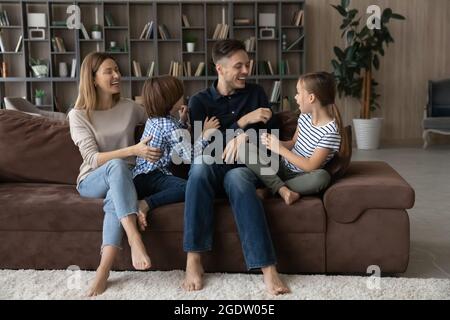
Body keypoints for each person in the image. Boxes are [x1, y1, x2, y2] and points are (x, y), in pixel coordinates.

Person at [182, 39, 290, 295]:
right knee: (199, 167)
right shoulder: (200, 102)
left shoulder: (257, 94)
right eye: (238, 66)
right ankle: (193, 258)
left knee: (238, 180)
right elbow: (204, 151)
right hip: (211, 171)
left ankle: (268, 268)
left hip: (244, 168)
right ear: (219, 69)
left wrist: (244, 137)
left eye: (248, 65)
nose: (246, 71)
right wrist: (242, 123)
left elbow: (268, 144)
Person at [68, 52, 162, 297]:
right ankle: (134, 239)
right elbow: (91, 158)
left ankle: (103, 270)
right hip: (92, 179)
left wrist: (181, 117)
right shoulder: (78, 115)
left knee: (116, 196)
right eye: (109, 71)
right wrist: (133, 150)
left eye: (117, 70)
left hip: (125, 182)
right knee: (118, 166)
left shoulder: (130, 107)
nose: (117, 75)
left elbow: (158, 119)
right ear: (93, 78)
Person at [241, 72, 346, 206]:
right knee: (244, 148)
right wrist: (275, 143)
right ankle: (282, 190)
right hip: (282, 167)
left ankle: (271, 189)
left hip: (302, 177)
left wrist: (279, 149)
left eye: (298, 93)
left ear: (311, 98)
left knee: (322, 177)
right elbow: (293, 143)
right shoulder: (304, 117)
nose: (295, 98)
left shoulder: (330, 132)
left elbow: (310, 166)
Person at [132, 75, 220, 231]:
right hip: (150, 177)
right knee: (190, 188)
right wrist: (206, 134)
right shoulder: (168, 125)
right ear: (170, 100)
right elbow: (190, 157)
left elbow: (174, 137)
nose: (183, 97)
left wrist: (182, 120)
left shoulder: (158, 119)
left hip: (142, 176)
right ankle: (147, 203)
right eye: (179, 95)